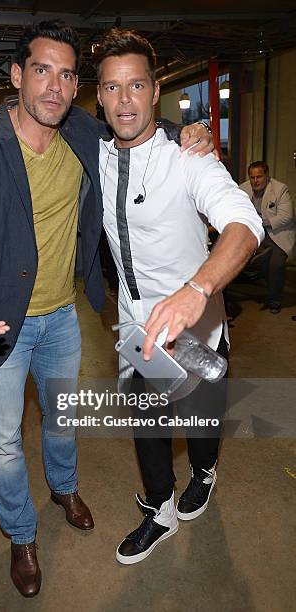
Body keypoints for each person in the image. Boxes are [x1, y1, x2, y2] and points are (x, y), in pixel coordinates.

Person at [0, 21, 213, 598]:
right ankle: (22, 535)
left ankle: (63, 486)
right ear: (16, 76)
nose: (55, 86)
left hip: (62, 316)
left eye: (67, 74)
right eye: (41, 70)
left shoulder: (80, 130)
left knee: (62, 417)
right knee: (4, 439)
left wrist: (187, 132)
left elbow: (137, 125)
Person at [92, 30, 264, 565]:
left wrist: (197, 289)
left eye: (136, 85)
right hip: (135, 326)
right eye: (113, 88)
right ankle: (159, 508)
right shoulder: (89, 150)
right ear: (97, 96)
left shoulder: (188, 157)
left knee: (200, 421)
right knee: (147, 423)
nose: (125, 100)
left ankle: (205, 471)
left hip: (198, 328)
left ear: (155, 89)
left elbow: (245, 222)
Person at [239, 161, 296, 313]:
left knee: (275, 265)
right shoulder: (242, 189)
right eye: (252, 177)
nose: (255, 181)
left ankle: (274, 301)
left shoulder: (280, 189)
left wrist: (260, 221)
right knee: (233, 254)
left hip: (277, 234)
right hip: (254, 233)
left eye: (259, 177)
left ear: (267, 176)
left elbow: (287, 216)